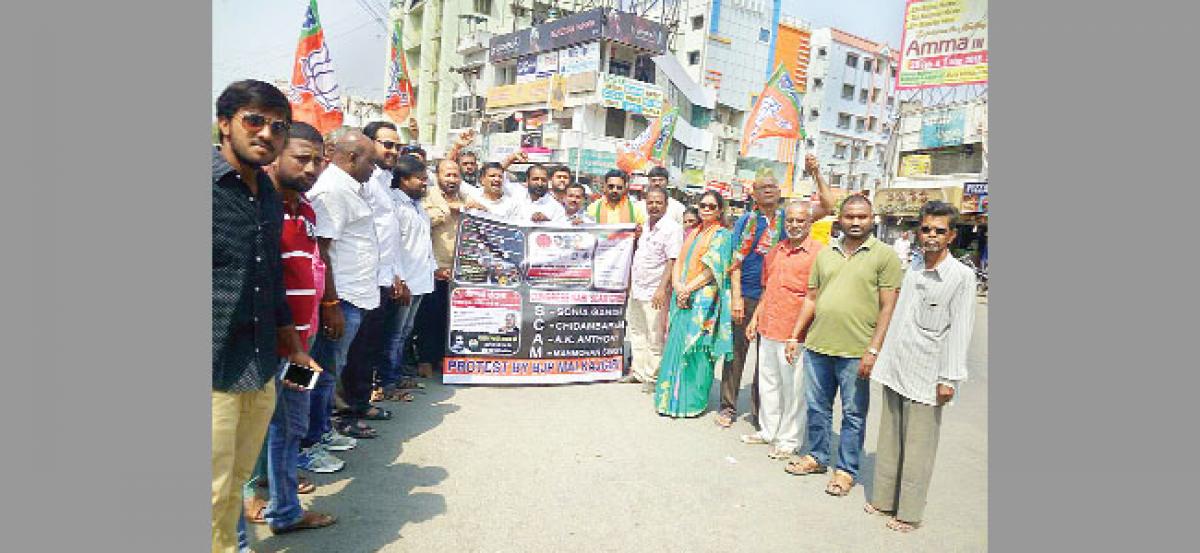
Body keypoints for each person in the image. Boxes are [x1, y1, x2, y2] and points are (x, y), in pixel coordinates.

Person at [212, 79, 320, 553]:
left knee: (234, 482)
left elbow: (271, 280)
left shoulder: (268, 196)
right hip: (212, 364)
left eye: (277, 126)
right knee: (211, 490)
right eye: (254, 121)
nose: (267, 133)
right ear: (225, 124)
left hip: (258, 363)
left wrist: (295, 348)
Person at [864, 201, 976, 533]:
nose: (931, 236)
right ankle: (884, 499)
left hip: (928, 376)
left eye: (939, 231)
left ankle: (909, 513)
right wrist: (879, 356)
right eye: (926, 229)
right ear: (919, 232)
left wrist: (948, 379)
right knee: (889, 440)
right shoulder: (912, 266)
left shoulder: (961, 277)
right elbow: (897, 318)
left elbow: (960, 330)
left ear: (951, 236)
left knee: (918, 449)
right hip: (897, 368)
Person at [782, 194, 903, 499]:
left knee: (853, 413)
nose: (856, 222)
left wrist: (873, 350)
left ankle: (846, 470)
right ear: (840, 220)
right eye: (850, 216)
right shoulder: (826, 253)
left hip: (856, 352)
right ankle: (817, 457)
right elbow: (811, 297)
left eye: (862, 216)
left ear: (872, 218)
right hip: (819, 345)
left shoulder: (885, 256)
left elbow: (888, 307)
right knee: (817, 407)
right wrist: (796, 334)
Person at [257, 121, 338, 535]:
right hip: (263, 347)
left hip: (302, 346)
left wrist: (326, 310)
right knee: (245, 435)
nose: (310, 169)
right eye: (301, 159)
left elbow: (315, 268)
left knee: (291, 428)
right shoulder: (258, 208)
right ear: (276, 155)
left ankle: (285, 511)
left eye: (317, 162)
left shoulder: (306, 209)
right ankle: (256, 500)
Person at [718, 155, 835, 429]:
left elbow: (829, 206)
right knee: (735, 353)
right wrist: (735, 297)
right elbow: (734, 261)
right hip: (746, 295)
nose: (768, 190)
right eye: (762, 187)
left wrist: (816, 172)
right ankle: (728, 406)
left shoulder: (791, 219)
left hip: (777, 298)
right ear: (753, 193)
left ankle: (763, 414)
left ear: (780, 191)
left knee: (768, 359)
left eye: (773, 185)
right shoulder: (745, 222)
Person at [301, 130, 381, 473]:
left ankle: (320, 430)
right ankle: (307, 442)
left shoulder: (349, 188)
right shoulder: (333, 189)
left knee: (328, 372)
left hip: (351, 296)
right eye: (370, 162)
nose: (374, 169)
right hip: (339, 300)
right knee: (311, 374)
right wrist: (330, 303)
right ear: (350, 158)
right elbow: (321, 249)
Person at [336, 121, 408, 433]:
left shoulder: (382, 182)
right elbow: (334, 242)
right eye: (386, 144)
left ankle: (358, 404)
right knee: (342, 358)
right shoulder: (355, 183)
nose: (392, 151)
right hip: (352, 286)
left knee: (365, 349)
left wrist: (393, 274)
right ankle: (343, 414)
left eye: (396, 145)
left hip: (376, 280)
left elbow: (385, 235)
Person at [742, 201, 824, 460]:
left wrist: (796, 335)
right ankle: (768, 431)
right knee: (768, 384)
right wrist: (755, 318)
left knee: (793, 390)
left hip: (794, 335)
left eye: (800, 220)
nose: (794, 225)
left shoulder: (818, 254)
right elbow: (768, 289)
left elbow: (814, 297)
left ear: (809, 223)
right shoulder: (775, 251)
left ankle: (789, 440)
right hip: (768, 328)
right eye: (790, 220)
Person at [654, 191, 733, 417]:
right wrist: (678, 285)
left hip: (702, 301)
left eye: (711, 206)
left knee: (696, 350)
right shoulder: (693, 232)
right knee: (676, 346)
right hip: (683, 296)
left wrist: (688, 289)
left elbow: (712, 270)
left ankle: (690, 403)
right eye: (703, 205)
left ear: (719, 210)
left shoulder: (722, 236)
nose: (706, 209)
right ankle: (668, 401)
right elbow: (679, 260)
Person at [380, 155, 437, 396]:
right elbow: (391, 247)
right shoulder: (395, 205)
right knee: (393, 334)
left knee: (405, 332)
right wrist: (398, 278)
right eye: (420, 179)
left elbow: (422, 243)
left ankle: (398, 374)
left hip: (421, 278)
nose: (425, 184)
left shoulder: (417, 205)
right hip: (404, 281)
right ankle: (387, 381)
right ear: (403, 179)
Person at [620, 187, 684, 392]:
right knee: (637, 332)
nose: (654, 206)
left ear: (666, 205)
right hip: (638, 288)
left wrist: (661, 289)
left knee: (655, 335)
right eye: (650, 202)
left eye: (658, 202)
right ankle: (638, 373)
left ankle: (652, 377)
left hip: (655, 292)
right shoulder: (645, 226)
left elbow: (672, 261)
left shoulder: (672, 229)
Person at [412, 158, 465, 378]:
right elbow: (422, 221)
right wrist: (446, 209)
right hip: (432, 268)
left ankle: (445, 360)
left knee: (451, 319)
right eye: (447, 175)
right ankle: (425, 359)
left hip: (459, 272)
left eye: (455, 175)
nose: (452, 179)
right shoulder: (426, 196)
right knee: (428, 317)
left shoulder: (466, 199)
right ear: (438, 176)